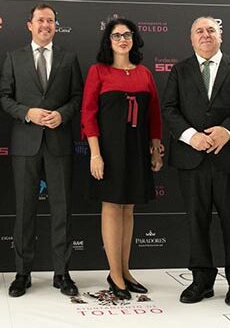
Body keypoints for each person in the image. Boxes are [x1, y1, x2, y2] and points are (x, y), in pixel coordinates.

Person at [161, 17, 230, 307]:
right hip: (192, 159)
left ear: (221, 35)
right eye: (199, 31)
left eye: (210, 30)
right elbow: (169, 108)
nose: (205, 35)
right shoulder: (179, 70)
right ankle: (201, 280)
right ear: (191, 39)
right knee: (196, 222)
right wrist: (192, 137)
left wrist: (225, 132)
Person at [0, 3, 83, 297]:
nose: (46, 25)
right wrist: (27, 113)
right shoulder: (13, 58)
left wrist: (62, 115)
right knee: (24, 210)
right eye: (40, 20)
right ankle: (22, 273)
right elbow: (4, 98)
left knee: (62, 209)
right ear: (29, 25)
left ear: (55, 26)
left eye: (51, 21)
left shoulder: (69, 59)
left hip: (58, 143)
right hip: (25, 143)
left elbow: (77, 97)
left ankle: (63, 273)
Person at [81, 17, 163, 300]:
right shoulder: (98, 71)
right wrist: (95, 153)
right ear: (108, 41)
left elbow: (154, 114)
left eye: (127, 35)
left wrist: (155, 147)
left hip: (137, 148)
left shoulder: (144, 73)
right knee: (113, 207)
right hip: (109, 149)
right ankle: (114, 274)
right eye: (116, 36)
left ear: (134, 40)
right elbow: (88, 113)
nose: (122, 40)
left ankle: (125, 271)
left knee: (129, 208)